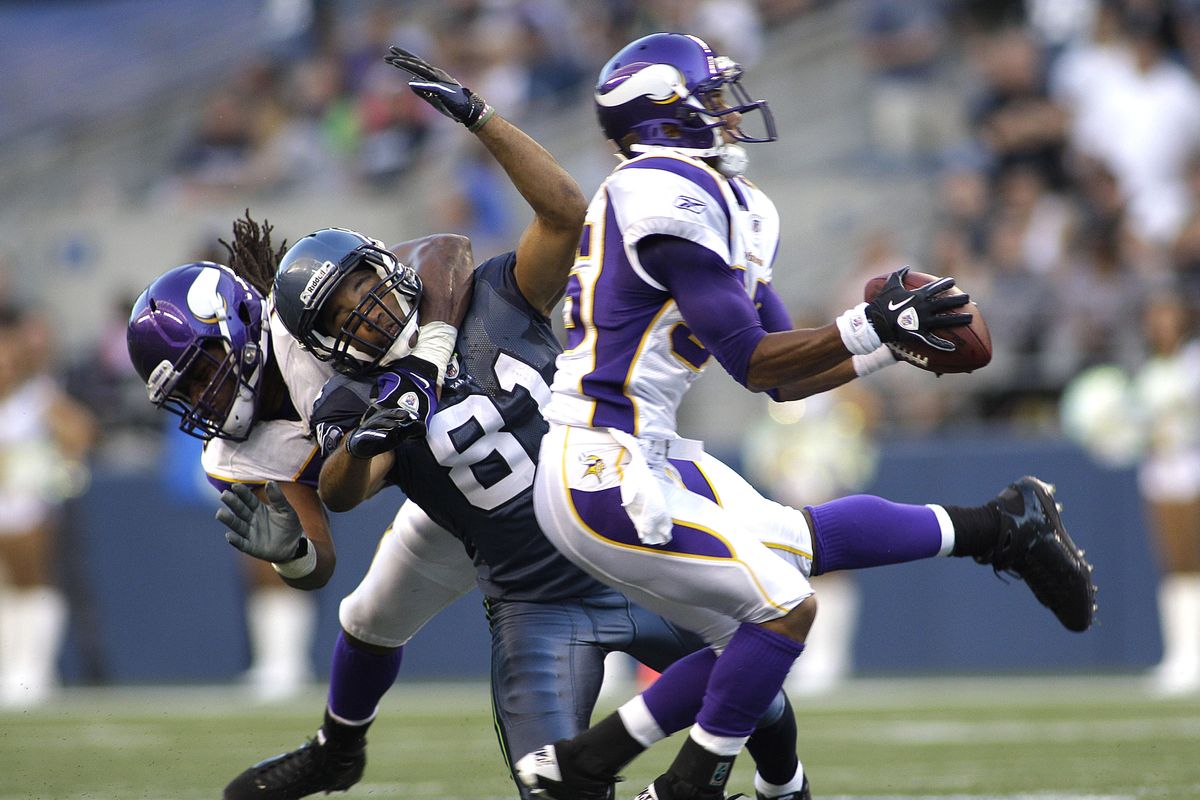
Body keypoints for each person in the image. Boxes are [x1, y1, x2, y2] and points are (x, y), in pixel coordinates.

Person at [513, 32, 1098, 800]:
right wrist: (871, 327)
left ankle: (1003, 526)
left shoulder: (719, 199)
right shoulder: (663, 189)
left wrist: (890, 346)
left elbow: (783, 378)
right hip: (602, 461)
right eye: (710, 96)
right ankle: (692, 782)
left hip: (643, 451)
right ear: (664, 112)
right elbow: (751, 358)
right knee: (785, 609)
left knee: (787, 560)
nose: (728, 109)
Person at [219, 47, 802, 800]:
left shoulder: (482, 290)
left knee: (764, 684)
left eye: (364, 288)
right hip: (529, 591)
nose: (364, 312)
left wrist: (483, 119)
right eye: (340, 314)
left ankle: (786, 789)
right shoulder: (334, 399)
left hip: (618, 529)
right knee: (530, 767)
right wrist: (355, 461)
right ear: (315, 339)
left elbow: (560, 214)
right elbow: (342, 489)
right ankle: (337, 748)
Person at [0, 305, 96, 706]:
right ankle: (11, 669)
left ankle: (32, 670)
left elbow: (81, 432)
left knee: (33, 579)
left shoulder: (37, 395)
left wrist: (54, 464)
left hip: (26, 505)